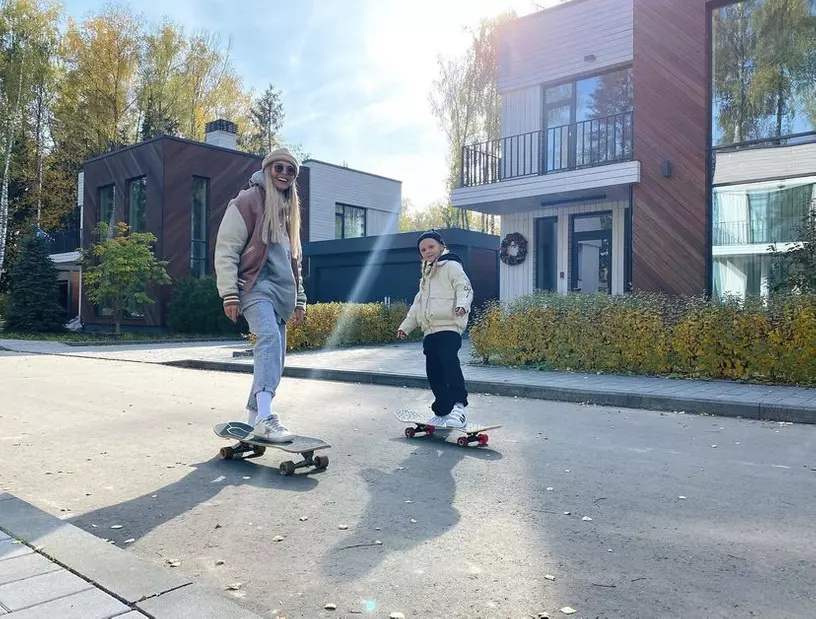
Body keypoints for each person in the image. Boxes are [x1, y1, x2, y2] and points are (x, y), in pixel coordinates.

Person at [214, 147, 306, 442]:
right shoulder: (247, 201)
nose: (284, 174)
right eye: (279, 167)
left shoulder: (290, 211)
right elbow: (226, 249)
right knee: (268, 339)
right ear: (268, 169)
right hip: (253, 287)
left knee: (275, 358)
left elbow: (295, 262)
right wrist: (229, 293)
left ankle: (254, 419)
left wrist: (300, 299)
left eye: (290, 170)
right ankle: (266, 416)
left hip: (281, 293)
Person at [397, 230, 474, 428]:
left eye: (431, 247)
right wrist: (406, 326)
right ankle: (442, 410)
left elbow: (464, 287)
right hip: (429, 331)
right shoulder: (426, 275)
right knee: (434, 372)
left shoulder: (451, 266)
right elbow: (418, 303)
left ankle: (459, 407)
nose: (428, 251)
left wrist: (463, 305)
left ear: (441, 246)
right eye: (423, 249)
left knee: (449, 364)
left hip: (449, 326)